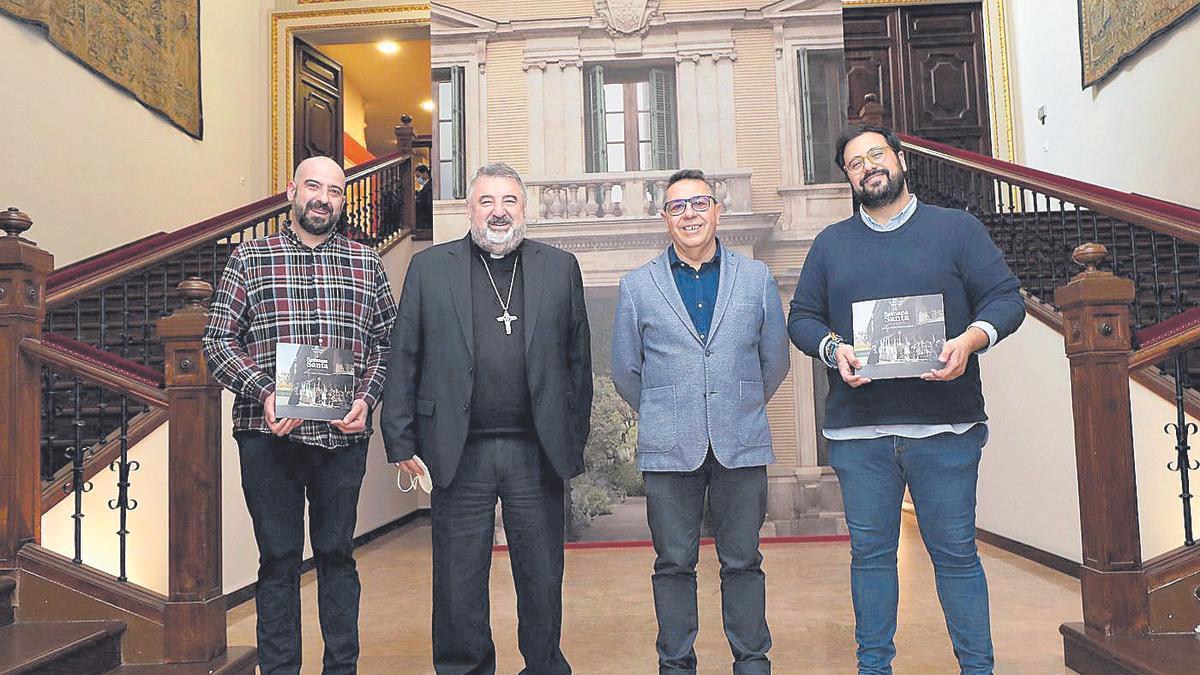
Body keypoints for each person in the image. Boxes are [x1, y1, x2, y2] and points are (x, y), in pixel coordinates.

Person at [788, 125, 1025, 674]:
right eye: (854, 163)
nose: (868, 166)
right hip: (859, 436)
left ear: (900, 160)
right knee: (870, 561)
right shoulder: (830, 244)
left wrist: (971, 340)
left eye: (876, 154)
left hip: (945, 432)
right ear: (848, 178)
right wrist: (833, 350)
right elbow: (802, 318)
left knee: (957, 559)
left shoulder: (957, 230)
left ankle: (978, 669)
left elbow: (1005, 299)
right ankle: (873, 668)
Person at [381, 161, 592, 674]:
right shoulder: (431, 268)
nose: (499, 212)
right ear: (469, 208)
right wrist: (400, 440)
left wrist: (571, 440)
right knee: (457, 577)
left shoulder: (559, 268)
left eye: (509, 201)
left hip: (535, 450)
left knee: (541, 574)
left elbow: (578, 365)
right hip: (458, 448)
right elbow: (405, 354)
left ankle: (543, 664)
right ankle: (463, 667)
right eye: (487, 201)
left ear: (524, 208)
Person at [203, 156, 397, 674]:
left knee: (337, 556)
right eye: (314, 186)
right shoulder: (249, 259)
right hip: (268, 439)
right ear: (292, 190)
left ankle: (341, 669)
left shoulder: (367, 263)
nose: (323, 198)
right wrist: (265, 392)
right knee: (279, 561)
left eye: (335, 191)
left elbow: (388, 343)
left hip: (342, 439)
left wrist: (367, 398)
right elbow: (217, 342)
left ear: (341, 200)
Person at [611, 169, 790, 675]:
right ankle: (676, 665)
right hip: (669, 449)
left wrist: (738, 404)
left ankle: (752, 662)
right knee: (672, 565)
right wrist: (668, 412)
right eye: (676, 207)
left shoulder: (755, 279)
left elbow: (774, 360)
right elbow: (627, 370)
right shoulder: (638, 286)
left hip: (742, 441)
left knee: (743, 563)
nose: (688, 214)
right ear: (664, 219)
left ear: (717, 210)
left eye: (698, 203)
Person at [415, 163, 433, 233]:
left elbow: (428, 203)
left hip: (426, 221)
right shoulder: (426, 186)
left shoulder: (429, 187)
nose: (418, 179)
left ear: (425, 173)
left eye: (418, 176)